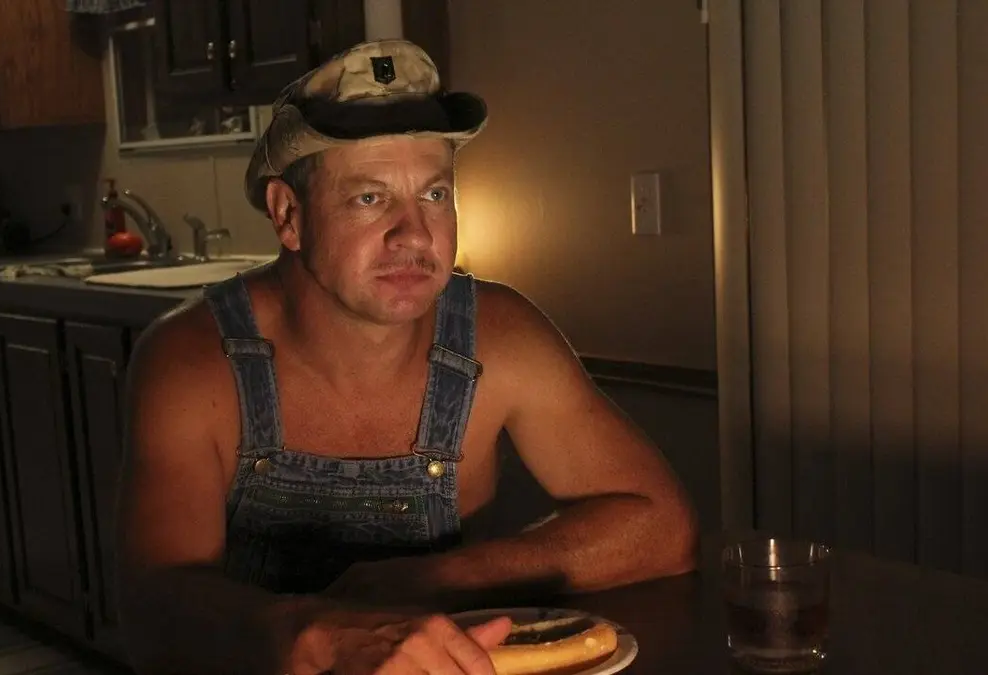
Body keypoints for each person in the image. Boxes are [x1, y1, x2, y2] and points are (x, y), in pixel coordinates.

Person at [115, 39, 698, 675]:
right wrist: (317, 638)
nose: (415, 235)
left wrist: (426, 580)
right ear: (289, 215)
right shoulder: (192, 360)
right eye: (370, 198)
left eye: (434, 195)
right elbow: (152, 614)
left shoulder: (500, 336)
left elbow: (663, 528)